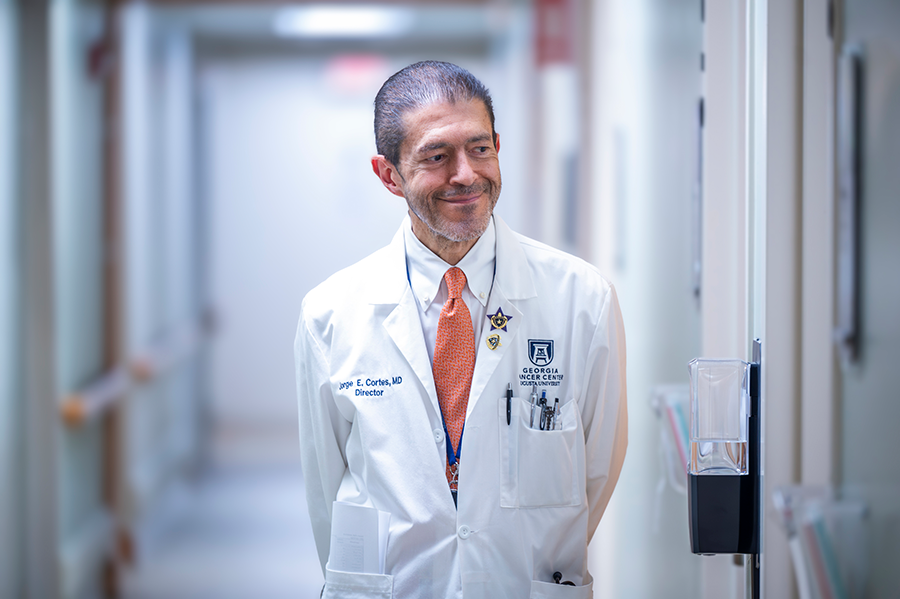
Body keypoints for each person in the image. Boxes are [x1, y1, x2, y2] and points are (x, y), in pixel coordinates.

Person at [295, 60, 627, 598]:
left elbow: (598, 469)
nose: (466, 174)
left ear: (498, 145)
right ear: (389, 175)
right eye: (436, 156)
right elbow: (326, 489)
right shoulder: (331, 315)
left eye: (479, 148)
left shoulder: (581, 300)